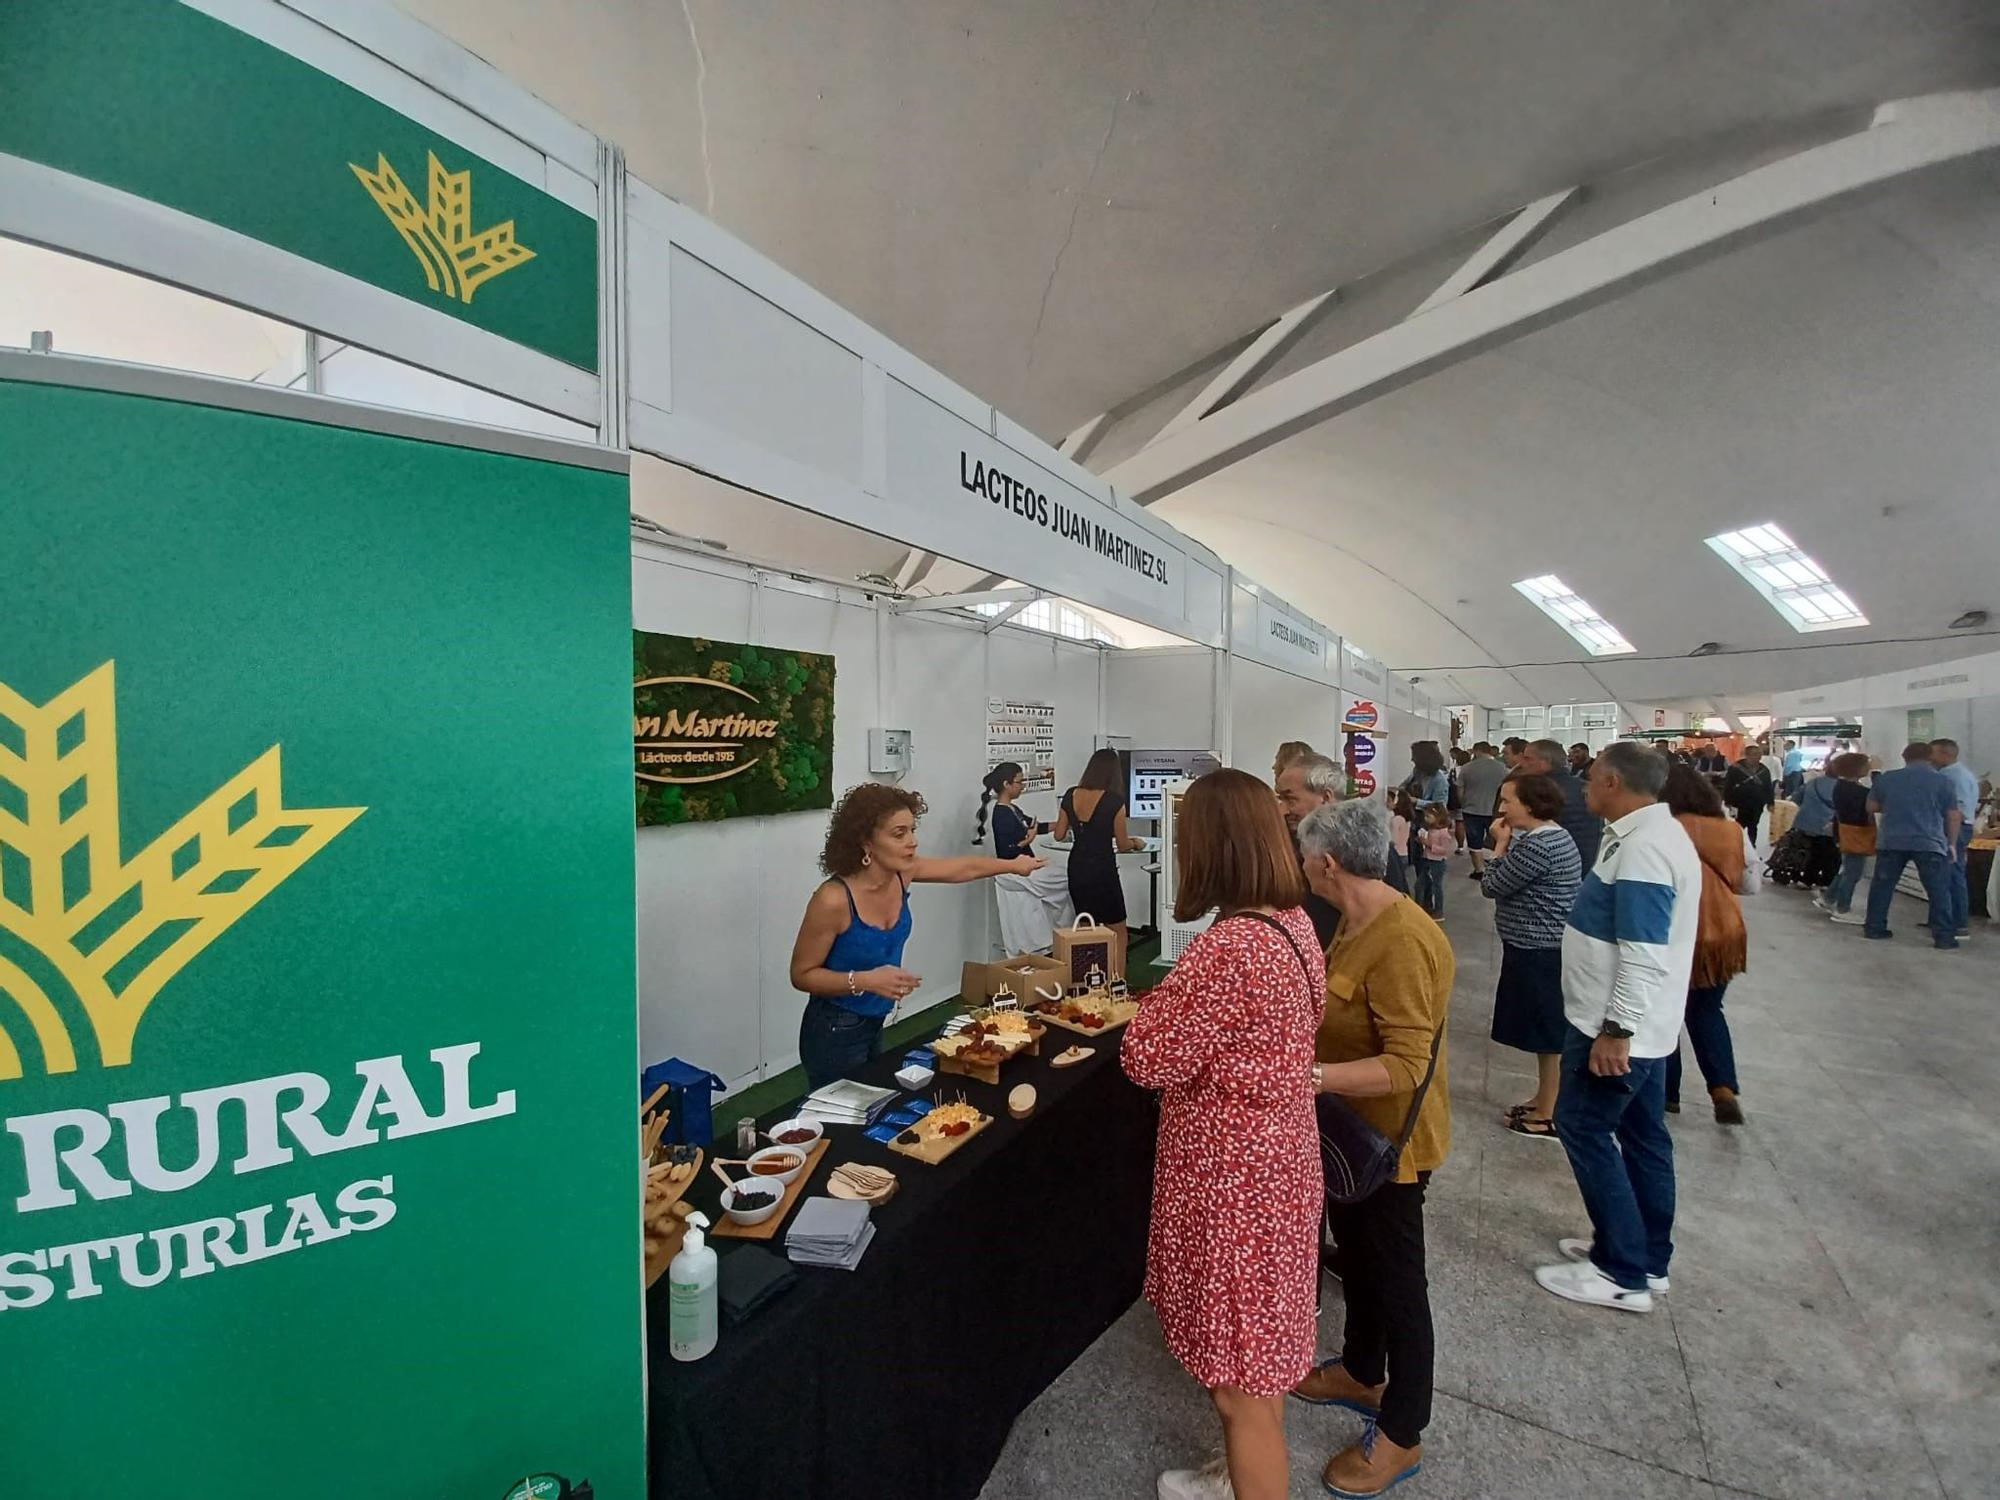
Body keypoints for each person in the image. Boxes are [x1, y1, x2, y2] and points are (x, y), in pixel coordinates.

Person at [1123, 770, 1321, 1500]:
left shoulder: (1232, 947)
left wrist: (1163, 1004)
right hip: (1277, 1160)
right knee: (1256, 1360)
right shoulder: (1291, 923)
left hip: (1234, 1177)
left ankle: (1249, 1477)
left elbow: (1147, 1057)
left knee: (1240, 1382)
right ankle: (1237, 1476)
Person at [1291, 798, 1453, 1499]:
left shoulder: (1403, 937)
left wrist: (1309, 1077)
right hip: (1350, 1138)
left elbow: (1407, 1063)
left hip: (1391, 1145)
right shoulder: (1357, 921)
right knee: (1357, 1259)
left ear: (1327, 863)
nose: (1300, 866)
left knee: (1397, 1283)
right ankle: (1361, 1369)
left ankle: (1403, 1433)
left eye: (1304, 854)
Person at [1535, 742, 1700, 1314]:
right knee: (1643, 1137)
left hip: (1616, 1027)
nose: (1582, 787)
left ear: (1610, 781)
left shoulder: (1646, 850)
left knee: (1582, 1127)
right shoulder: (1642, 836)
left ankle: (1621, 1271)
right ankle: (1645, 1256)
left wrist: (1617, 1029)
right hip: (1636, 1025)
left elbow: (1644, 951)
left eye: (1589, 778)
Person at [789, 784, 1041, 1087]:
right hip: (832, 1029)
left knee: (874, 1099)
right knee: (843, 1119)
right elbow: (802, 975)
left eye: (912, 830)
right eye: (899, 834)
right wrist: (866, 980)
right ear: (865, 841)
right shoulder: (833, 899)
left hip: (873, 1021)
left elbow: (963, 868)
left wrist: (1014, 865)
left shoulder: (901, 873)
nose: (912, 842)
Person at [1481, 774, 1583, 1140]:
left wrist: (1500, 844)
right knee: (1544, 1032)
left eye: (1508, 801)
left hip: (1541, 951)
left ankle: (1550, 1110)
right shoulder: (1550, 838)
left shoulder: (1539, 845)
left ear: (1531, 804)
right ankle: (1545, 1098)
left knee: (1547, 1033)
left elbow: (1491, 884)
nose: (1502, 809)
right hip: (1538, 947)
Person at [1659, 765, 1749, 1125]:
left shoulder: (1664, 828)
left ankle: (1668, 1093)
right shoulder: (1731, 831)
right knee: (1708, 1011)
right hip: (1722, 931)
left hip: (1674, 928)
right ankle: (1723, 1088)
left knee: (1666, 1009)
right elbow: (1749, 883)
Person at [1862, 743, 1963, 949]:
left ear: (1904, 757)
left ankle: (1874, 928)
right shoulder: (1943, 781)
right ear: (1930, 757)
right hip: (1930, 841)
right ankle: (1944, 937)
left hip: (1892, 840)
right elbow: (1953, 815)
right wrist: (1951, 843)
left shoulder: (1887, 778)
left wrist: (1892, 805)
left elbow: (1870, 807)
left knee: (1882, 887)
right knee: (1938, 890)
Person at [1052, 748, 1145, 972]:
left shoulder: (1070, 794)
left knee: (1086, 924)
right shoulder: (1114, 801)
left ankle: (1086, 978)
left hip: (1077, 866)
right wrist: (1136, 842)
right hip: (1102, 867)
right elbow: (1122, 844)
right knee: (1118, 929)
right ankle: (1117, 983)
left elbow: (1059, 834)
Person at [1520, 738, 1604, 870]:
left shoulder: (1539, 792)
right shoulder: (1586, 788)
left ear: (1544, 762)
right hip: (1587, 861)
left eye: (1527, 759)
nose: (1522, 764)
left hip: (1552, 866)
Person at [1817, 751, 1877, 923]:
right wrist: (1877, 774)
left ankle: (1829, 898)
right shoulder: (1857, 791)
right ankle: (1843, 908)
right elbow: (1878, 794)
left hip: (1844, 831)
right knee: (1853, 872)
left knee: (1847, 869)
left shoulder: (1840, 787)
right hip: (1857, 833)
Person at [1932, 739, 1980, 941]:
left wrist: (1951, 840)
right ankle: (1942, 919)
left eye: (1932, 753)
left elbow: (1956, 812)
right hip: (1955, 828)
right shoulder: (1953, 774)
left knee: (1953, 876)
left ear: (1945, 754)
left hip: (1956, 830)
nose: (1929, 758)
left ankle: (1959, 924)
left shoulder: (1954, 777)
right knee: (1945, 876)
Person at [1457, 742, 1509, 878]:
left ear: (1476, 751)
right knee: (1498, 840)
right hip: (1495, 811)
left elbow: (1460, 790)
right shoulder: (1502, 768)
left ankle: (1479, 870)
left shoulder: (1466, 768)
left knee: (1475, 842)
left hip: (1472, 810)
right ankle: (1498, 868)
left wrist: (1464, 803)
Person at [974, 761, 1046, 860]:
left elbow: (1035, 826)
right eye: (1019, 782)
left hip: (1023, 865)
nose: (1023, 786)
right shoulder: (1002, 814)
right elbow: (1006, 852)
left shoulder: (1012, 808)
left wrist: (1064, 823)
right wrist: (1028, 840)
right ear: (1006, 784)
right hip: (1013, 869)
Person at [1787, 760, 1842, 888]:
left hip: (1807, 824)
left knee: (1812, 852)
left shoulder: (1813, 782)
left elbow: (1795, 798)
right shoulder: (1842, 787)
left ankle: (1807, 878)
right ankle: (1826, 881)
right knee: (1831, 855)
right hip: (1830, 826)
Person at [1722, 744, 1774, 846]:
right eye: (1754, 754)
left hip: (1757, 803)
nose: (1757, 757)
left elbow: (1768, 786)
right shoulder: (1735, 768)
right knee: (1739, 826)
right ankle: (1737, 846)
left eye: (1759, 755)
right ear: (1746, 755)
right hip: (1739, 803)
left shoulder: (1764, 770)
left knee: (1753, 825)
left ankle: (1752, 846)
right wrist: (1727, 801)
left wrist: (1770, 802)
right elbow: (1728, 784)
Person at [1412, 803, 1454, 918]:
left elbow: (1445, 850)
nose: (1426, 819)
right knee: (1420, 885)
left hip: (1437, 862)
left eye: (1428, 817)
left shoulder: (1444, 833)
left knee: (1436, 886)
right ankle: (1420, 906)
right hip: (1427, 860)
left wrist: (1429, 845)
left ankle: (1438, 910)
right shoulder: (1430, 829)